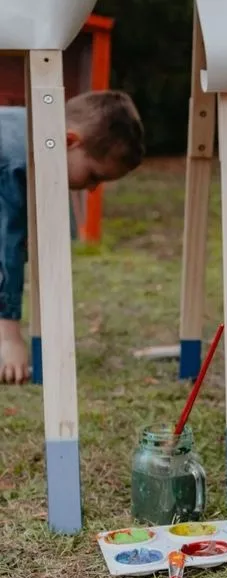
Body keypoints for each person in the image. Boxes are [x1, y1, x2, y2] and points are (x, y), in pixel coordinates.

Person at [0, 90, 144, 384]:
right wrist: (8, 337)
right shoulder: (15, 160)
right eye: (94, 176)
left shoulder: (34, 128)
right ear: (69, 141)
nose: (92, 189)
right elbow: (6, 250)